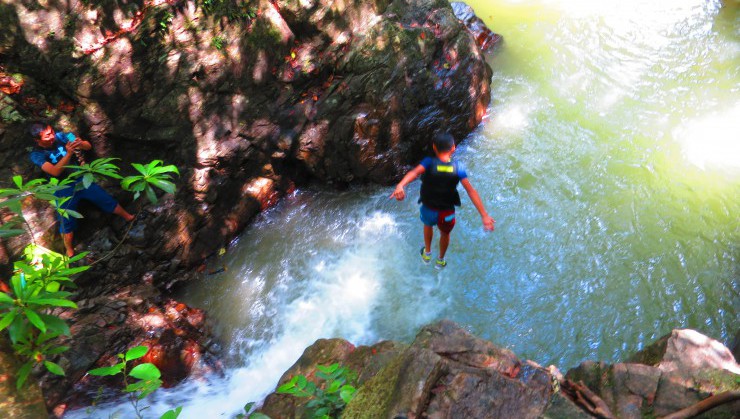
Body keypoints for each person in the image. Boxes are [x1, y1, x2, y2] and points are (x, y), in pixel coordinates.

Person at [390, 133, 495, 269]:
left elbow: (414, 173)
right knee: (445, 233)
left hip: (428, 208)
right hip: (447, 213)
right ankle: (440, 260)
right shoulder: (458, 167)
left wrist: (401, 185)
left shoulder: (428, 163)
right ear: (453, 148)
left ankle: (427, 253)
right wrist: (484, 215)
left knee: (428, 226)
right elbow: (471, 191)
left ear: (434, 147)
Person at [28, 123, 134, 257]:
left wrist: (80, 143)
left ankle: (129, 217)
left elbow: (87, 146)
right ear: (37, 140)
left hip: (81, 178)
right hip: (62, 187)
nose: (52, 136)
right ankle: (69, 250)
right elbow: (54, 172)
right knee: (66, 220)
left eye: (51, 132)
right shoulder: (36, 155)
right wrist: (69, 153)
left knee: (104, 198)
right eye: (47, 136)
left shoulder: (62, 135)